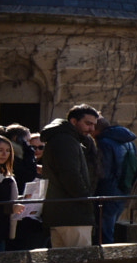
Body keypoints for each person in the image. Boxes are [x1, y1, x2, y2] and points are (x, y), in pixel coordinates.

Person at [39, 104, 101, 248]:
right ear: (74, 121)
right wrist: (86, 198)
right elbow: (70, 175)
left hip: (63, 214)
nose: (91, 129)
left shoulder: (64, 139)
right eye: (88, 123)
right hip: (72, 215)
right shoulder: (65, 140)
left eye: (93, 125)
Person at [94, 116, 137, 244]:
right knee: (110, 228)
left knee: (104, 231)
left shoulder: (104, 142)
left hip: (109, 190)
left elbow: (104, 170)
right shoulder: (129, 142)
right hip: (124, 188)